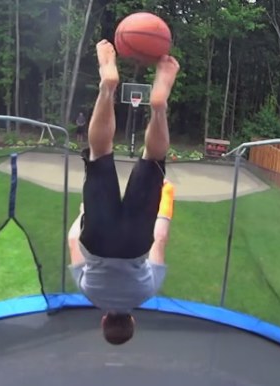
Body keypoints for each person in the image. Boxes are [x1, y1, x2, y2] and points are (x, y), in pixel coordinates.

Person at [67, 39, 180, 345]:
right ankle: (108, 87)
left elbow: (159, 239)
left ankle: (159, 109)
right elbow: (73, 239)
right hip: (98, 238)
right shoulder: (89, 292)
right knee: (100, 152)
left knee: (153, 159)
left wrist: (165, 202)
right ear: (104, 318)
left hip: (134, 243)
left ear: (132, 320)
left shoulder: (145, 292)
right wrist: (82, 214)